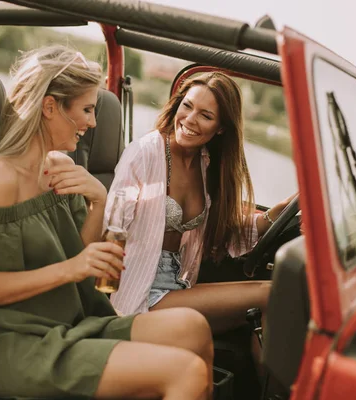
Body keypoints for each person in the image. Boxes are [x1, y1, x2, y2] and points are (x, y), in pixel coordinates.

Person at [0, 45, 214, 400]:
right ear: (50, 107)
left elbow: (81, 256)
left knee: (194, 327)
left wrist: (98, 201)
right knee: (186, 372)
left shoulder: (58, 167)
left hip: (72, 324)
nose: (93, 122)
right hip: (20, 344)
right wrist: (72, 268)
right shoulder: (0, 176)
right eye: (87, 109)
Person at [106, 71, 295, 335]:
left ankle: (274, 379)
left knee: (260, 313)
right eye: (187, 106)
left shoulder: (205, 163)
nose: (189, 120)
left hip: (179, 284)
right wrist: (102, 303)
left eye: (205, 116)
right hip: (139, 291)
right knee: (268, 293)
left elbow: (219, 232)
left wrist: (270, 218)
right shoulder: (145, 152)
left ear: (220, 128)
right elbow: (113, 227)